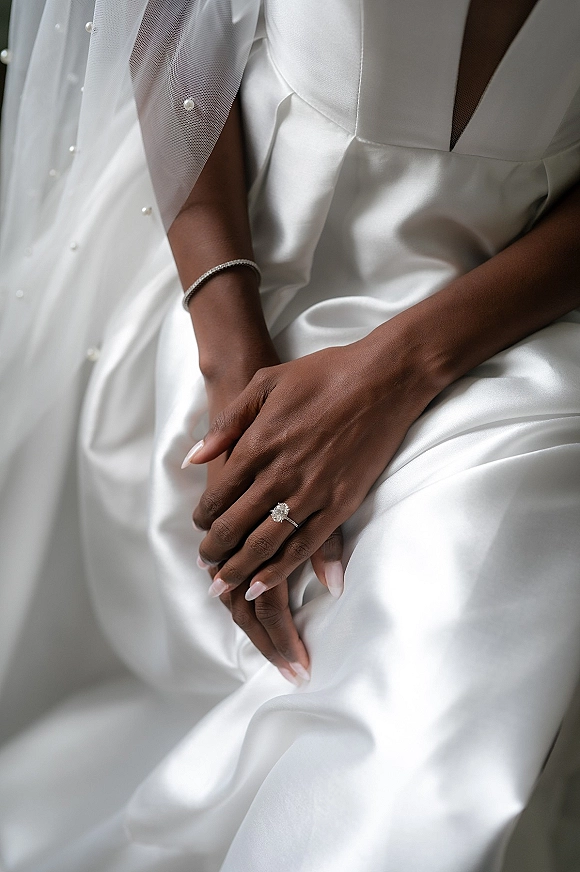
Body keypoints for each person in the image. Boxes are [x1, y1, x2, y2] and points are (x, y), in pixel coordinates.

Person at [0, 0, 580, 870]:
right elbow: (167, 28)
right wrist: (234, 388)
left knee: (450, 665)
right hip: (243, 283)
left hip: (524, 315)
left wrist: (398, 373)